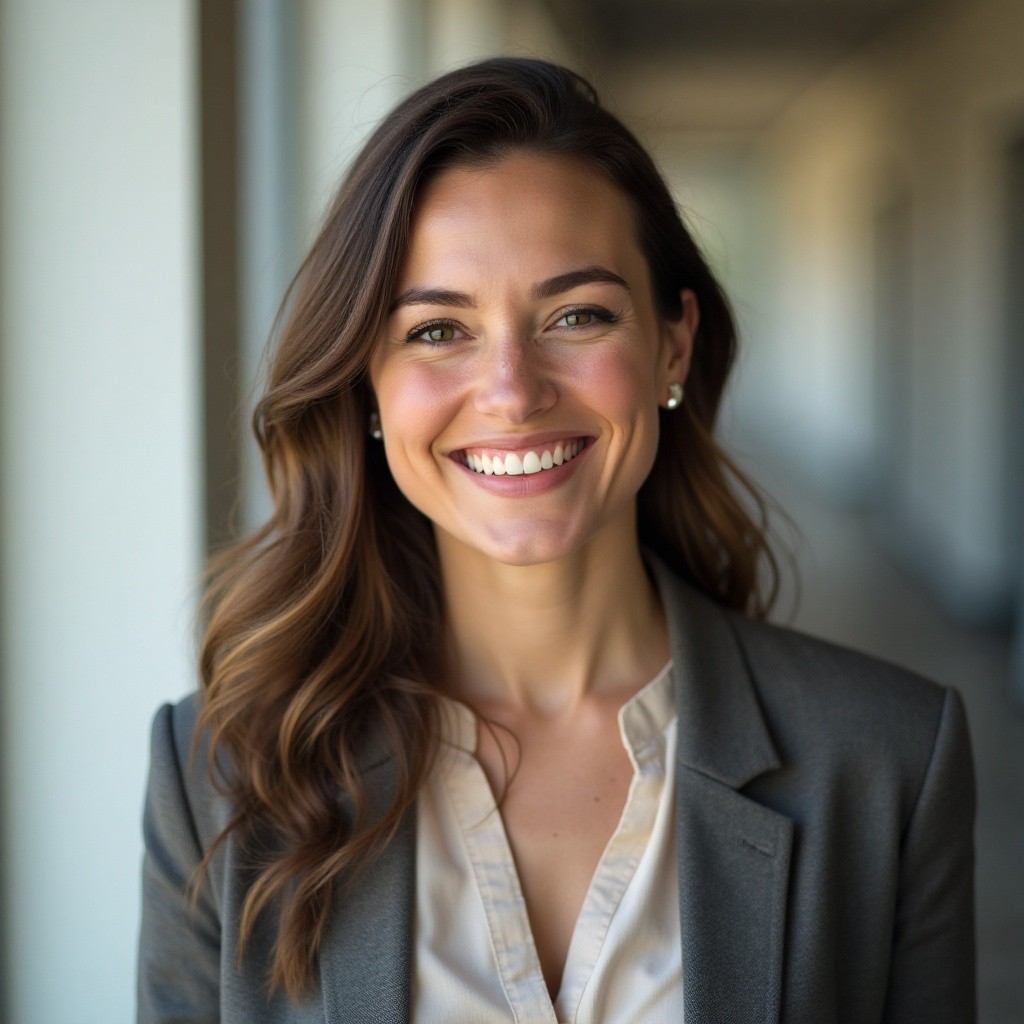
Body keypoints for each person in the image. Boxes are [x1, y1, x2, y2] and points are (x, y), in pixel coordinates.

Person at [137, 57, 976, 1024]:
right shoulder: (223, 772)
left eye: (576, 315)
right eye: (437, 331)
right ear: (366, 381)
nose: (511, 391)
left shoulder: (889, 762)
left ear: (672, 343)